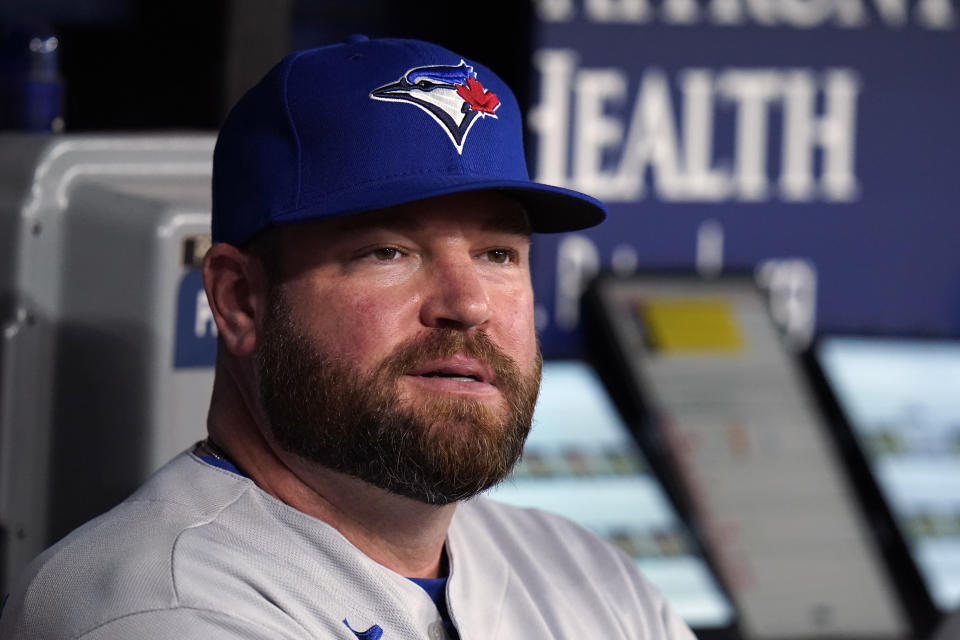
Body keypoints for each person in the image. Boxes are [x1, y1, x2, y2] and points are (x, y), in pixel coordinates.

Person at [0, 36, 695, 639]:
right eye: (387, 252)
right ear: (240, 300)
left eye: (498, 254)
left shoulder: (591, 578)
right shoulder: (153, 606)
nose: (468, 305)